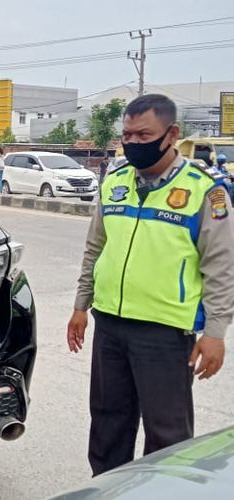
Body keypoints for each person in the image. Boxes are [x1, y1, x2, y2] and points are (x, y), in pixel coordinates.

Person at [66, 94, 234, 476]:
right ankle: (105, 488)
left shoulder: (205, 191)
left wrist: (216, 333)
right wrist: (81, 305)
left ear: (172, 134)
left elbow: (222, 267)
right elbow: (96, 246)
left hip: (164, 331)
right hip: (110, 324)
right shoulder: (115, 181)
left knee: (167, 436)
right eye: (127, 134)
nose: (134, 143)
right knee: (108, 425)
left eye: (145, 134)